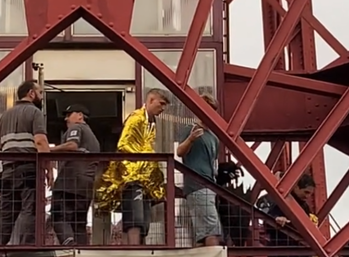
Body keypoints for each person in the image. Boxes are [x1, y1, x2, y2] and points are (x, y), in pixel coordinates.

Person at [96, 88, 169, 245]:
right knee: (135, 218)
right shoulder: (136, 119)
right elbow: (125, 145)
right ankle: (134, 249)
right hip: (132, 176)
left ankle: (139, 248)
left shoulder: (151, 123)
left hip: (145, 178)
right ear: (150, 101)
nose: (162, 109)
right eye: (161, 104)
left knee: (143, 220)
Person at [0, 80, 51, 246]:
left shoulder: (4, 117)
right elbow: (40, 141)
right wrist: (48, 169)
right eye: (39, 93)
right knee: (31, 210)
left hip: (8, 172)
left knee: (5, 214)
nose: (41, 96)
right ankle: (26, 249)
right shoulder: (34, 113)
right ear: (31, 93)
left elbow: (1, 144)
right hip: (28, 170)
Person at [49, 104, 101, 245]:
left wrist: (48, 150)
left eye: (69, 114)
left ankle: (69, 246)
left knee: (59, 217)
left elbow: (72, 145)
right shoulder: (93, 138)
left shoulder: (77, 127)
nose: (66, 119)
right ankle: (82, 254)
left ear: (80, 116)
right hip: (86, 186)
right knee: (78, 224)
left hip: (70, 182)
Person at [176, 93, 223, 246]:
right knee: (211, 230)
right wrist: (191, 139)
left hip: (210, 186)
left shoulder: (213, 137)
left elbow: (213, 162)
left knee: (206, 230)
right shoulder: (190, 129)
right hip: (197, 186)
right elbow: (179, 152)